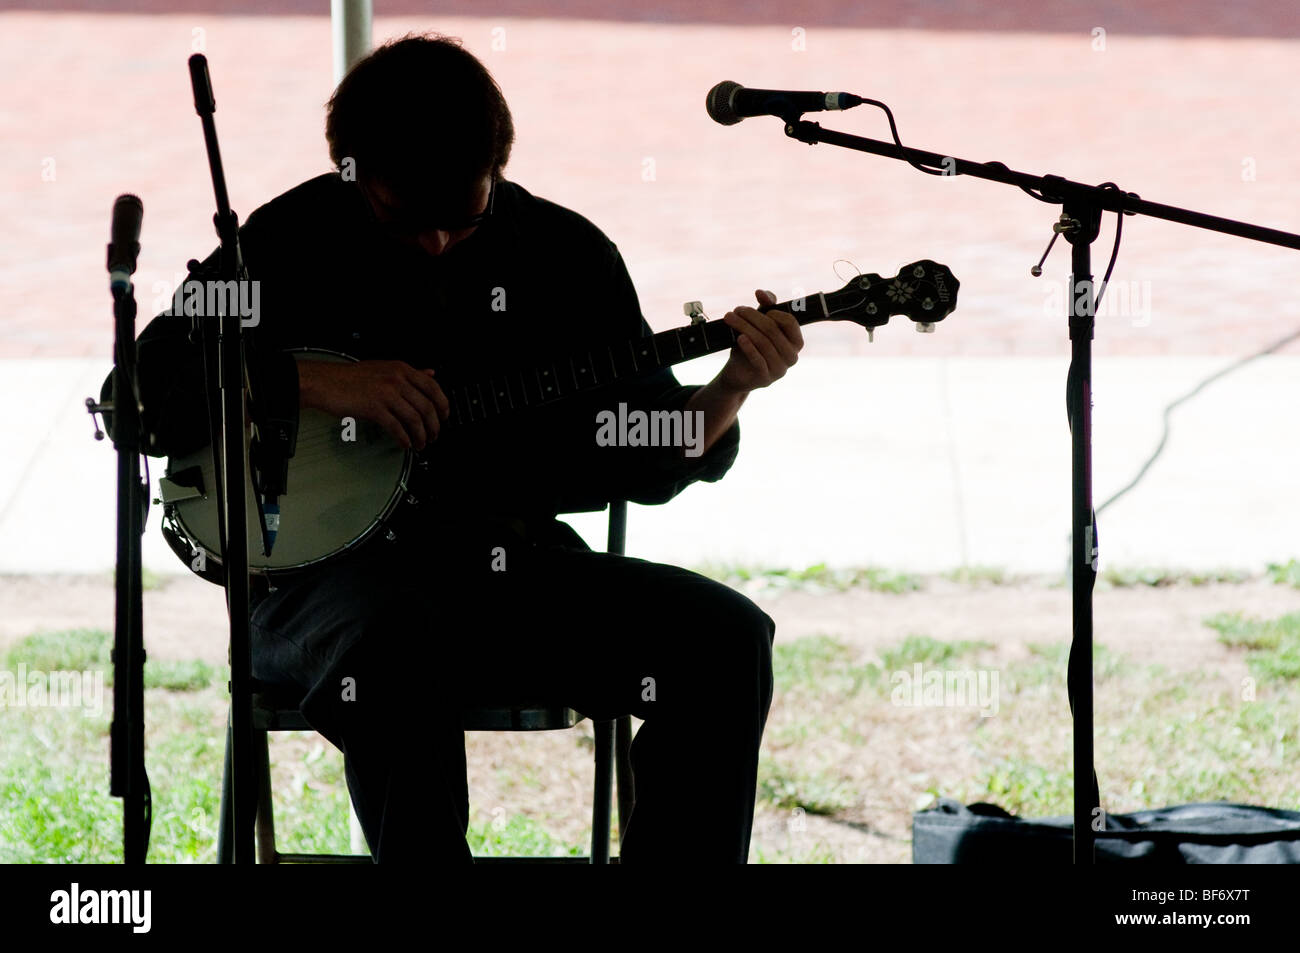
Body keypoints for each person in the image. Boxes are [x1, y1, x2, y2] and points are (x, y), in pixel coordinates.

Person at [114, 32, 804, 863]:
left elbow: (642, 449)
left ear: (498, 170)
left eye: (465, 217)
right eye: (407, 219)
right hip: (321, 594)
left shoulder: (564, 254)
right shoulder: (291, 238)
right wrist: (308, 382)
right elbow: (139, 395)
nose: (439, 241)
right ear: (353, 171)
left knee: (724, 640)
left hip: (510, 571)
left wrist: (727, 390)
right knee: (397, 643)